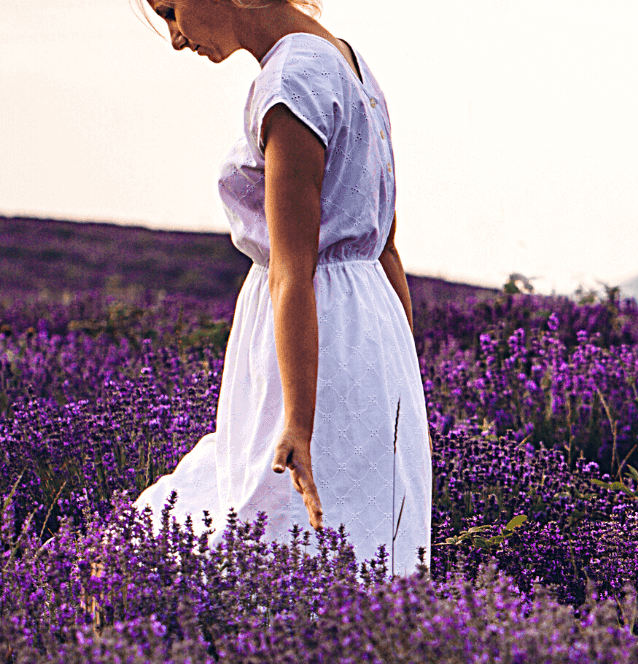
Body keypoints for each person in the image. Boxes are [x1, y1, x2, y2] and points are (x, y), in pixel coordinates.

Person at [136, 0, 431, 574]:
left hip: (308, 332)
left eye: (172, 10)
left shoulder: (290, 81)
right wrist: (402, 378)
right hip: (370, 329)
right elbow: (387, 247)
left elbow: (293, 268)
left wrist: (297, 420)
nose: (175, 37)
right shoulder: (350, 64)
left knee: (275, 529)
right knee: (364, 527)